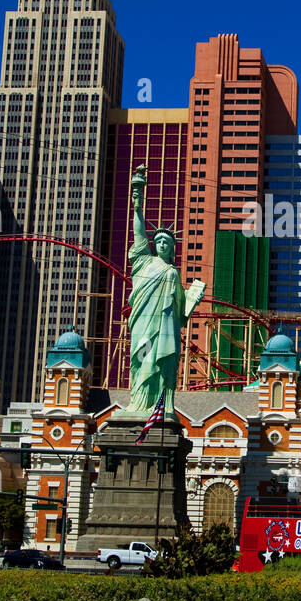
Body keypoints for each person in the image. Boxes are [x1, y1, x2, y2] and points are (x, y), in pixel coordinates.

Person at [126, 164, 206, 416]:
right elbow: (138, 230)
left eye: (166, 242)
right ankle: (138, 405)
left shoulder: (174, 272)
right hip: (143, 324)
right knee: (141, 360)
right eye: (158, 240)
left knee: (164, 365)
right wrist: (138, 201)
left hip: (166, 329)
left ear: (172, 248)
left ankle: (161, 405)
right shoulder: (144, 261)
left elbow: (181, 314)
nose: (161, 244)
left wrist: (193, 299)